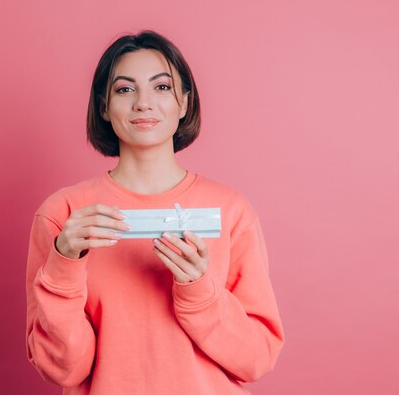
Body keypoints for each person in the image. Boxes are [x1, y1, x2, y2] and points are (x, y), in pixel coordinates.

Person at [25, 30, 285, 395]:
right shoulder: (65, 216)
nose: (143, 103)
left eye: (161, 88)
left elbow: (256, 358)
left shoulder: (231, 211)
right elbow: (63, 369)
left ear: (184, 104)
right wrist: (64, 263)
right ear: (103, 106)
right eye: (124, 89)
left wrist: (199, 292)